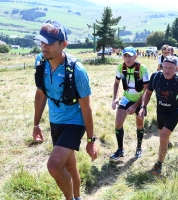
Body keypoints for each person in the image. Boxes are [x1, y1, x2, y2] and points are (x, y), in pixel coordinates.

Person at [33, 20, 97, 200]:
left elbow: (87, 108)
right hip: (55, 121)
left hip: (74, 123)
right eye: (42, 42)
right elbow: (40, 95)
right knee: (69, 166)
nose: (44, 47)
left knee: (54, 166)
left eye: (50, 43)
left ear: (64, 44)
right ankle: (77, 197)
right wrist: (36, 124)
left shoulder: (77, 70)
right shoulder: (40, 62)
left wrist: (91, 140)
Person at [138, 55, 178, 175]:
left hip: (174, 112)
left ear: (176, 68)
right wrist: (143, 106)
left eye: (170, 68)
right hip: (160, 111)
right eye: (165, 67)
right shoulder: (156, 76)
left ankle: (159, 164)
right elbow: (148, 93)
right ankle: (166, 145)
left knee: (163, 137)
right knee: (162, 137)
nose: (167, 71)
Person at [111, 47, 150, 160]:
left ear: (135, 56)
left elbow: (147, 90)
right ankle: (120, 150)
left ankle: (138, 148)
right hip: (127, 98)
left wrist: (135, 106)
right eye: (125, 56)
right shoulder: (120, 67)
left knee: (139, 124)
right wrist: (115, 98)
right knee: (118, 123)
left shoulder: (142, 69)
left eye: (130, 56)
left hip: (140, 99)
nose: (127, 58)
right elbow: (116, 83)